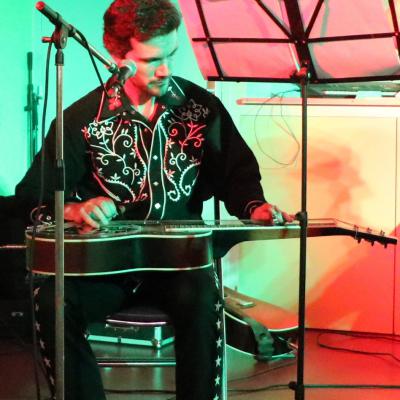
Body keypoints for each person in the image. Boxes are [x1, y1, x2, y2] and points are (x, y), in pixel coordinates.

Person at [15, 0, 293, 399]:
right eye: (151, 60)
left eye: (170, 56)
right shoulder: (81, 120)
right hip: (106, 268)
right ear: (117, 57)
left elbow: (238, 177)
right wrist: (75, 209)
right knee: (51, 304)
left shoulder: (202, 109)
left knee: (202, 298)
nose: (165, 70)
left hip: (180, 263)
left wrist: (255, 207)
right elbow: (31, 197)